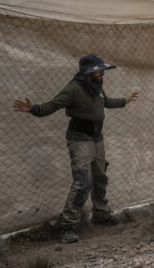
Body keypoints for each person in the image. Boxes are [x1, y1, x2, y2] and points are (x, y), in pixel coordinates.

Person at [13, 54, 139, 244]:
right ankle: (67, 226)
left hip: (97, 139)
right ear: (88, 72)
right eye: (99, 70)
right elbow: (52, 105)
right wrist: (34, 109)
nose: (102, 73)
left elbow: (106, 101)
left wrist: (125, 100)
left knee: (100, 178)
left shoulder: (96, 87)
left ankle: (101, 215)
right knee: (82, 184)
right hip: (80, 140)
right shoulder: (73, 89)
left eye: (102, 69)